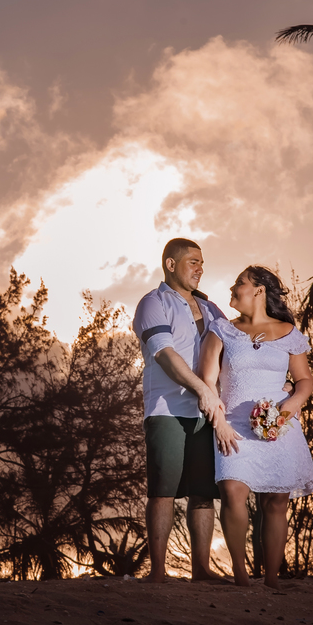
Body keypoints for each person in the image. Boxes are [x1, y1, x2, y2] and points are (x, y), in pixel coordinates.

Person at [200, 265, 313, 588]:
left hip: (279, 425)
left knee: (276, 501)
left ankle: (272, 578)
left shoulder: (289, 332)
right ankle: (240, 575)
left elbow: (304, 381)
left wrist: (288, 408)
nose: (232, 288)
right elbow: (207, 381)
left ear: (259, 291)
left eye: (240, 283)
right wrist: (218, 421)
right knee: (233, 490)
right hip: (233, 423)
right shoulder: (221, 330)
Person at [131, 238, 228, 582]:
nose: (200, 269)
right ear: (171, 265)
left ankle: (201, 570)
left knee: (204, 493)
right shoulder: (152, 303)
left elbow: (233, 353)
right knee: (164, 491)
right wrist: (203, 389)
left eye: (203, 263)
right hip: (166, 408)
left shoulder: (214, 309)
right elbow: (164, 353)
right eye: (192, 262)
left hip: (207, 413)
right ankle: (158, 573)